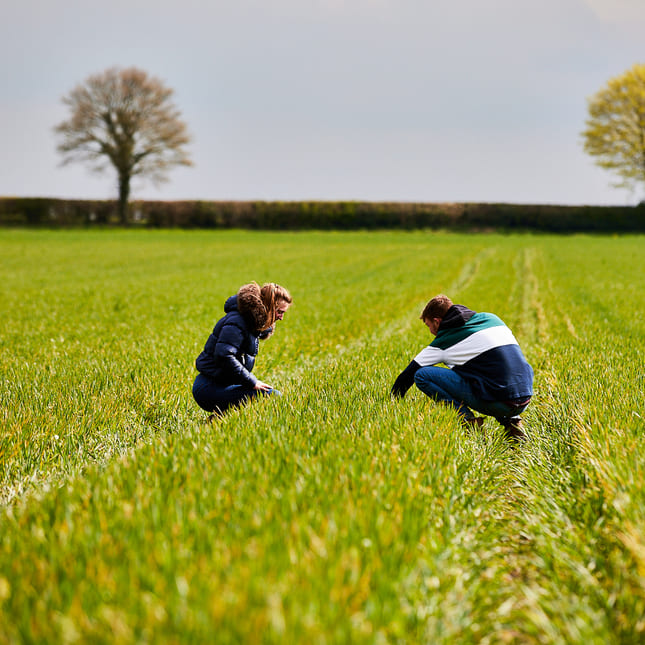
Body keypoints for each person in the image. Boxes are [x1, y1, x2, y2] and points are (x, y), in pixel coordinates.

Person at [391, 295, 533, 440]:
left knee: (422, 375)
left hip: (499, 402)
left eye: (429, 326)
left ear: (437, 321)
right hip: (525, 397)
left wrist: (392, 401)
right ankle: (514, 424)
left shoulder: (444, 341)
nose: (431, 332)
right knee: (490, 373)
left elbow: (407, 376)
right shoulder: (492, 319)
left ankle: (469, 422)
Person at [192, 281, 292, 418]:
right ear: (268, 307)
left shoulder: (251, 324)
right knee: (272, 396)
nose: (281, 318)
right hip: (208, 388)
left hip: (221, 384)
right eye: (279, 312)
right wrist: (252, 382)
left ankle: (218, 421)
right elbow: (224, 354)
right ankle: (220, 419)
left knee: (265, 394)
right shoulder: (238, 321)